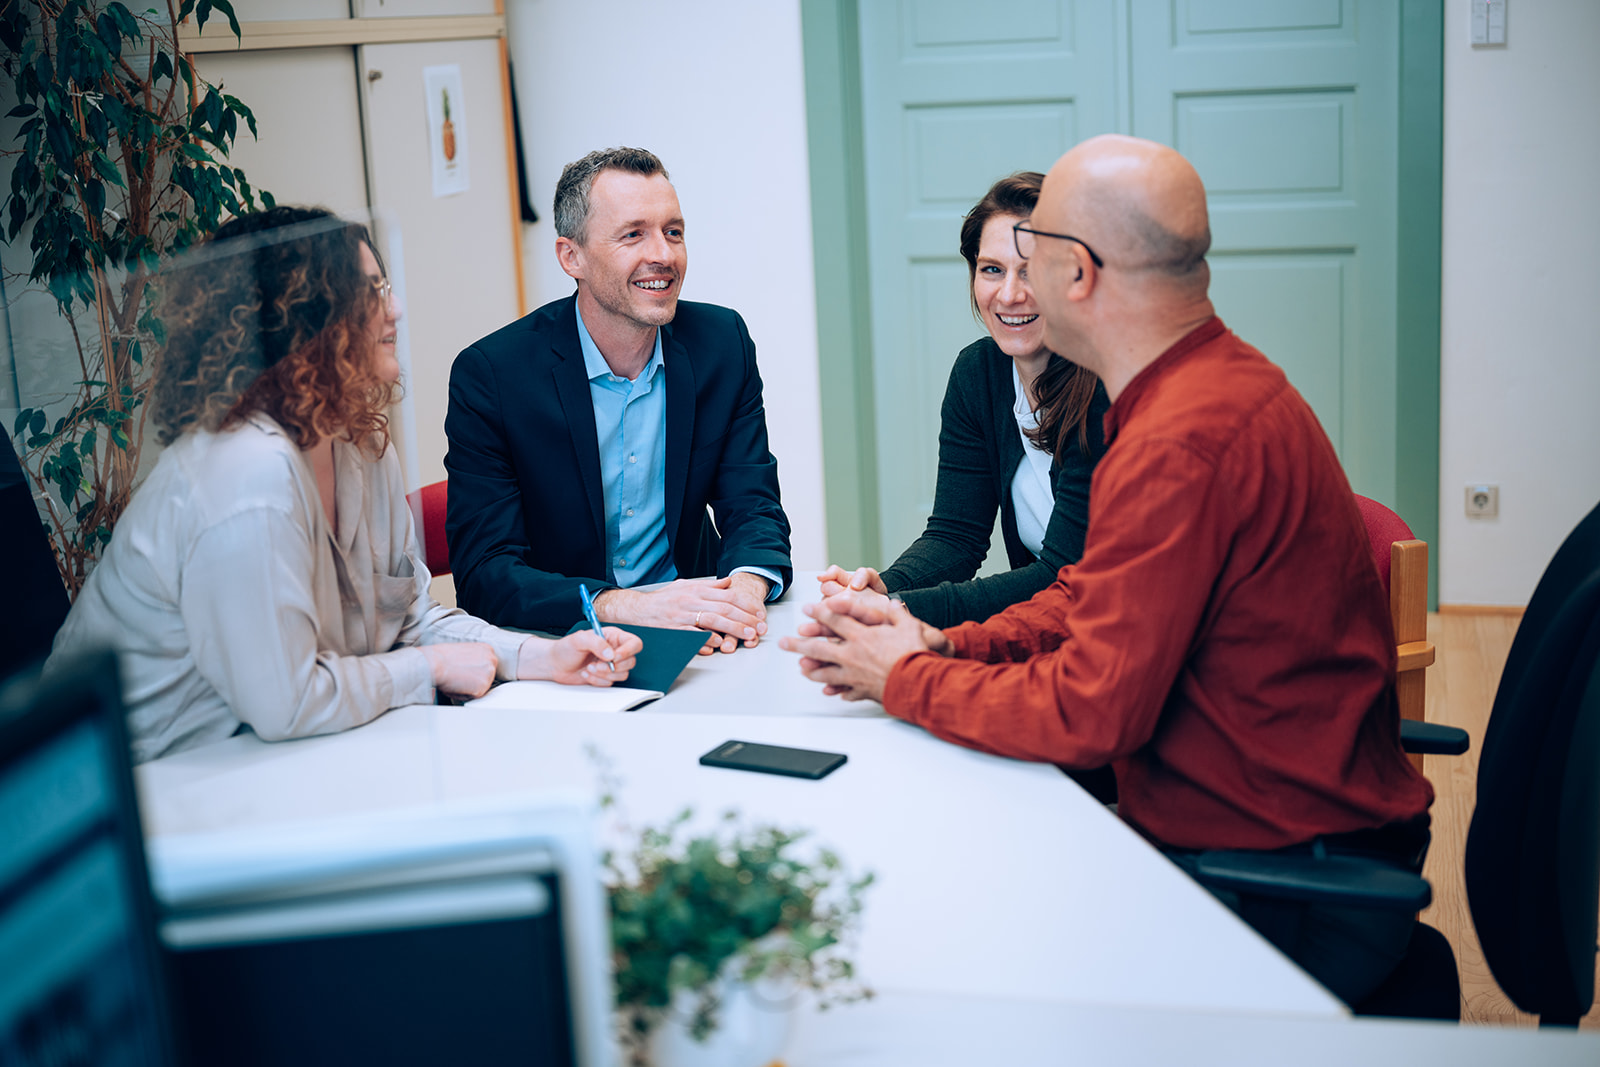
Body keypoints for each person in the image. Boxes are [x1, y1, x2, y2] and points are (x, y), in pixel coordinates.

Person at [782, 135, 1434, 1006]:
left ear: (1078, 273)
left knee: (943, 963)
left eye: (1035, 253)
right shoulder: (1210, 385)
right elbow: (1086, 595)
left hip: (1271, 877)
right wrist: (941, 637)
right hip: (1275, 828)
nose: (1013, 284)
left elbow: (1089, 711)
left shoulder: (1177, 441)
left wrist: (906, 676)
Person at [47, 206, 640, 764]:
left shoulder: (359, 442)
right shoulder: (244, 472)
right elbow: (288, 702)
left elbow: (411, 619)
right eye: (372, 292)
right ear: (301, 323)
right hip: (142, 786)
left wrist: (544, 657)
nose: (397, 307)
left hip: (269, 755)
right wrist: (427, 669)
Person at [445, 146, 792, 651]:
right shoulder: (493, 376)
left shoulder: (722, 342)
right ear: (572, 257)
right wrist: (620, 605)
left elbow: (753, 505)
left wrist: (740, 593)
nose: (664, 255)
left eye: (673, 232)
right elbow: (485, 573)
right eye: (633, 235)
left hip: (698, 638)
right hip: (561, 645)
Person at [817, 172, 1109, 627]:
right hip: (1049, 634)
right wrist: (885, 587)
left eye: (1032, 270)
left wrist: (900, 610)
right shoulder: (979, 373)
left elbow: (1064, 574)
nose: (1010, 294)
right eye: (992, 269)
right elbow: (956, 536)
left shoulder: (1106, 387)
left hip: (1131, 641)